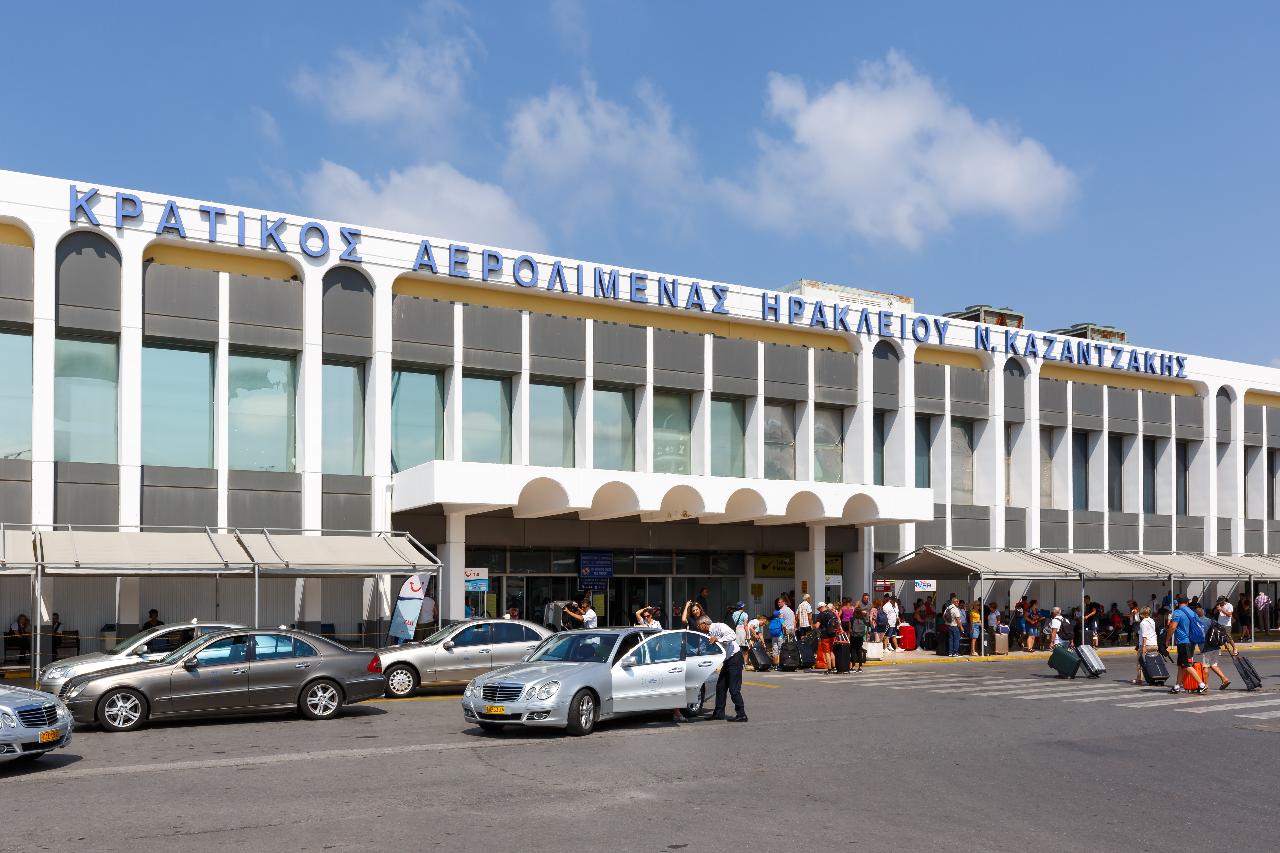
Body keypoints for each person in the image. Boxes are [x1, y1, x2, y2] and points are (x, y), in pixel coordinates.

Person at [698, 615, 746, 722]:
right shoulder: (708, 635)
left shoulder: (719, 626)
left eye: (699, 625)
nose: (698, 627)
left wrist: (719, 639)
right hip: (727, 661)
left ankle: (742, 714)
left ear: (704, 624)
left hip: (735, 658)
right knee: (720, 687)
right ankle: (719, 713)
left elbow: (732, 635)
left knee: (734, 689)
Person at [1168, 595, 1207, 694]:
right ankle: (1177, 686)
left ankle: (1201, 684)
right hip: (1191, 641)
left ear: (1177, 603)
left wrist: (1167, 640)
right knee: (1182, 665)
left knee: (1186, 664)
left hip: (1183, 642)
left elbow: (1172, 627)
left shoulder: (1177, 613)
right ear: (1187, 603)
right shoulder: (1192, 612)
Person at [1198, 605, 1231, 690]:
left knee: (1205, 666)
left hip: (1206, 647)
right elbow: (1221, 630)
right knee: (1213, 665)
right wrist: (1225, 642)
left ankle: (1205, 684)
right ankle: (1225, 679)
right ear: (1204, 613)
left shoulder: (1197, 622)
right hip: (1216, 646)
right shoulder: (1210, 621)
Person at [1132, 606, 1158, 685]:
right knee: (1152, 662)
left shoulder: (1143, 623)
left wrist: (1143, 647)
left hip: (1146, 645)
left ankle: (1139, 679)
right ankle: (1154, 676)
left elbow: (1144, 636)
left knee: (1140, 663)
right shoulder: (1152, 621)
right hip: (1154, 644)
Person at [815, 602, 839, 673]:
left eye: (818, 609)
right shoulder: (832, 613)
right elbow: (838, 623)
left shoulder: (821, 615)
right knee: (831, 651)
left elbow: (817, 626)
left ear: (820, 608)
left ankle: (829, 669)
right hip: (832, 634)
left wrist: (813, 626)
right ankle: (834, 667)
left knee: (827, 652)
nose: (818, 610)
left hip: (825, 636)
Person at [849, 603, 868, 672]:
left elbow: (850, 629)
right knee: (859, 650)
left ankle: (853, 666)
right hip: (860, 637)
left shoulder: (852, 619)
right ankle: (860, 667)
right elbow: (866, 628)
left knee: (853, 650)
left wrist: (851, 636)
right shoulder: (863, 619)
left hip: (853, 636)